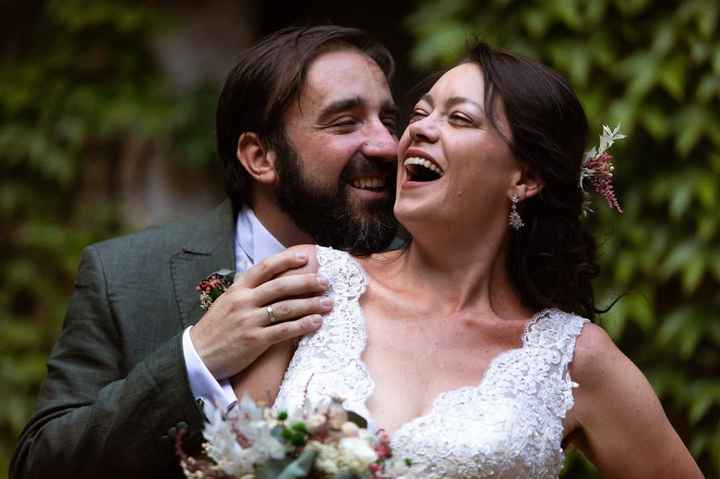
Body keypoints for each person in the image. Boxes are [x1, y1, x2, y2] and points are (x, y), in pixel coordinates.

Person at [233, 43, 704, 478]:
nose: (419, 129)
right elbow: (233, 458)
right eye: (419, 113)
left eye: (459, 118)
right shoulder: (310, 283)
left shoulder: (574, 359)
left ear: (525, 178)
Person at [10, 25, 399, 478]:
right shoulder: (123, 275)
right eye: (345, 122)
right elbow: (40, 464)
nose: (387, 145)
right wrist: (195, 360)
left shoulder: (431, 269)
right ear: (260, 157)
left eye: (388, 121)